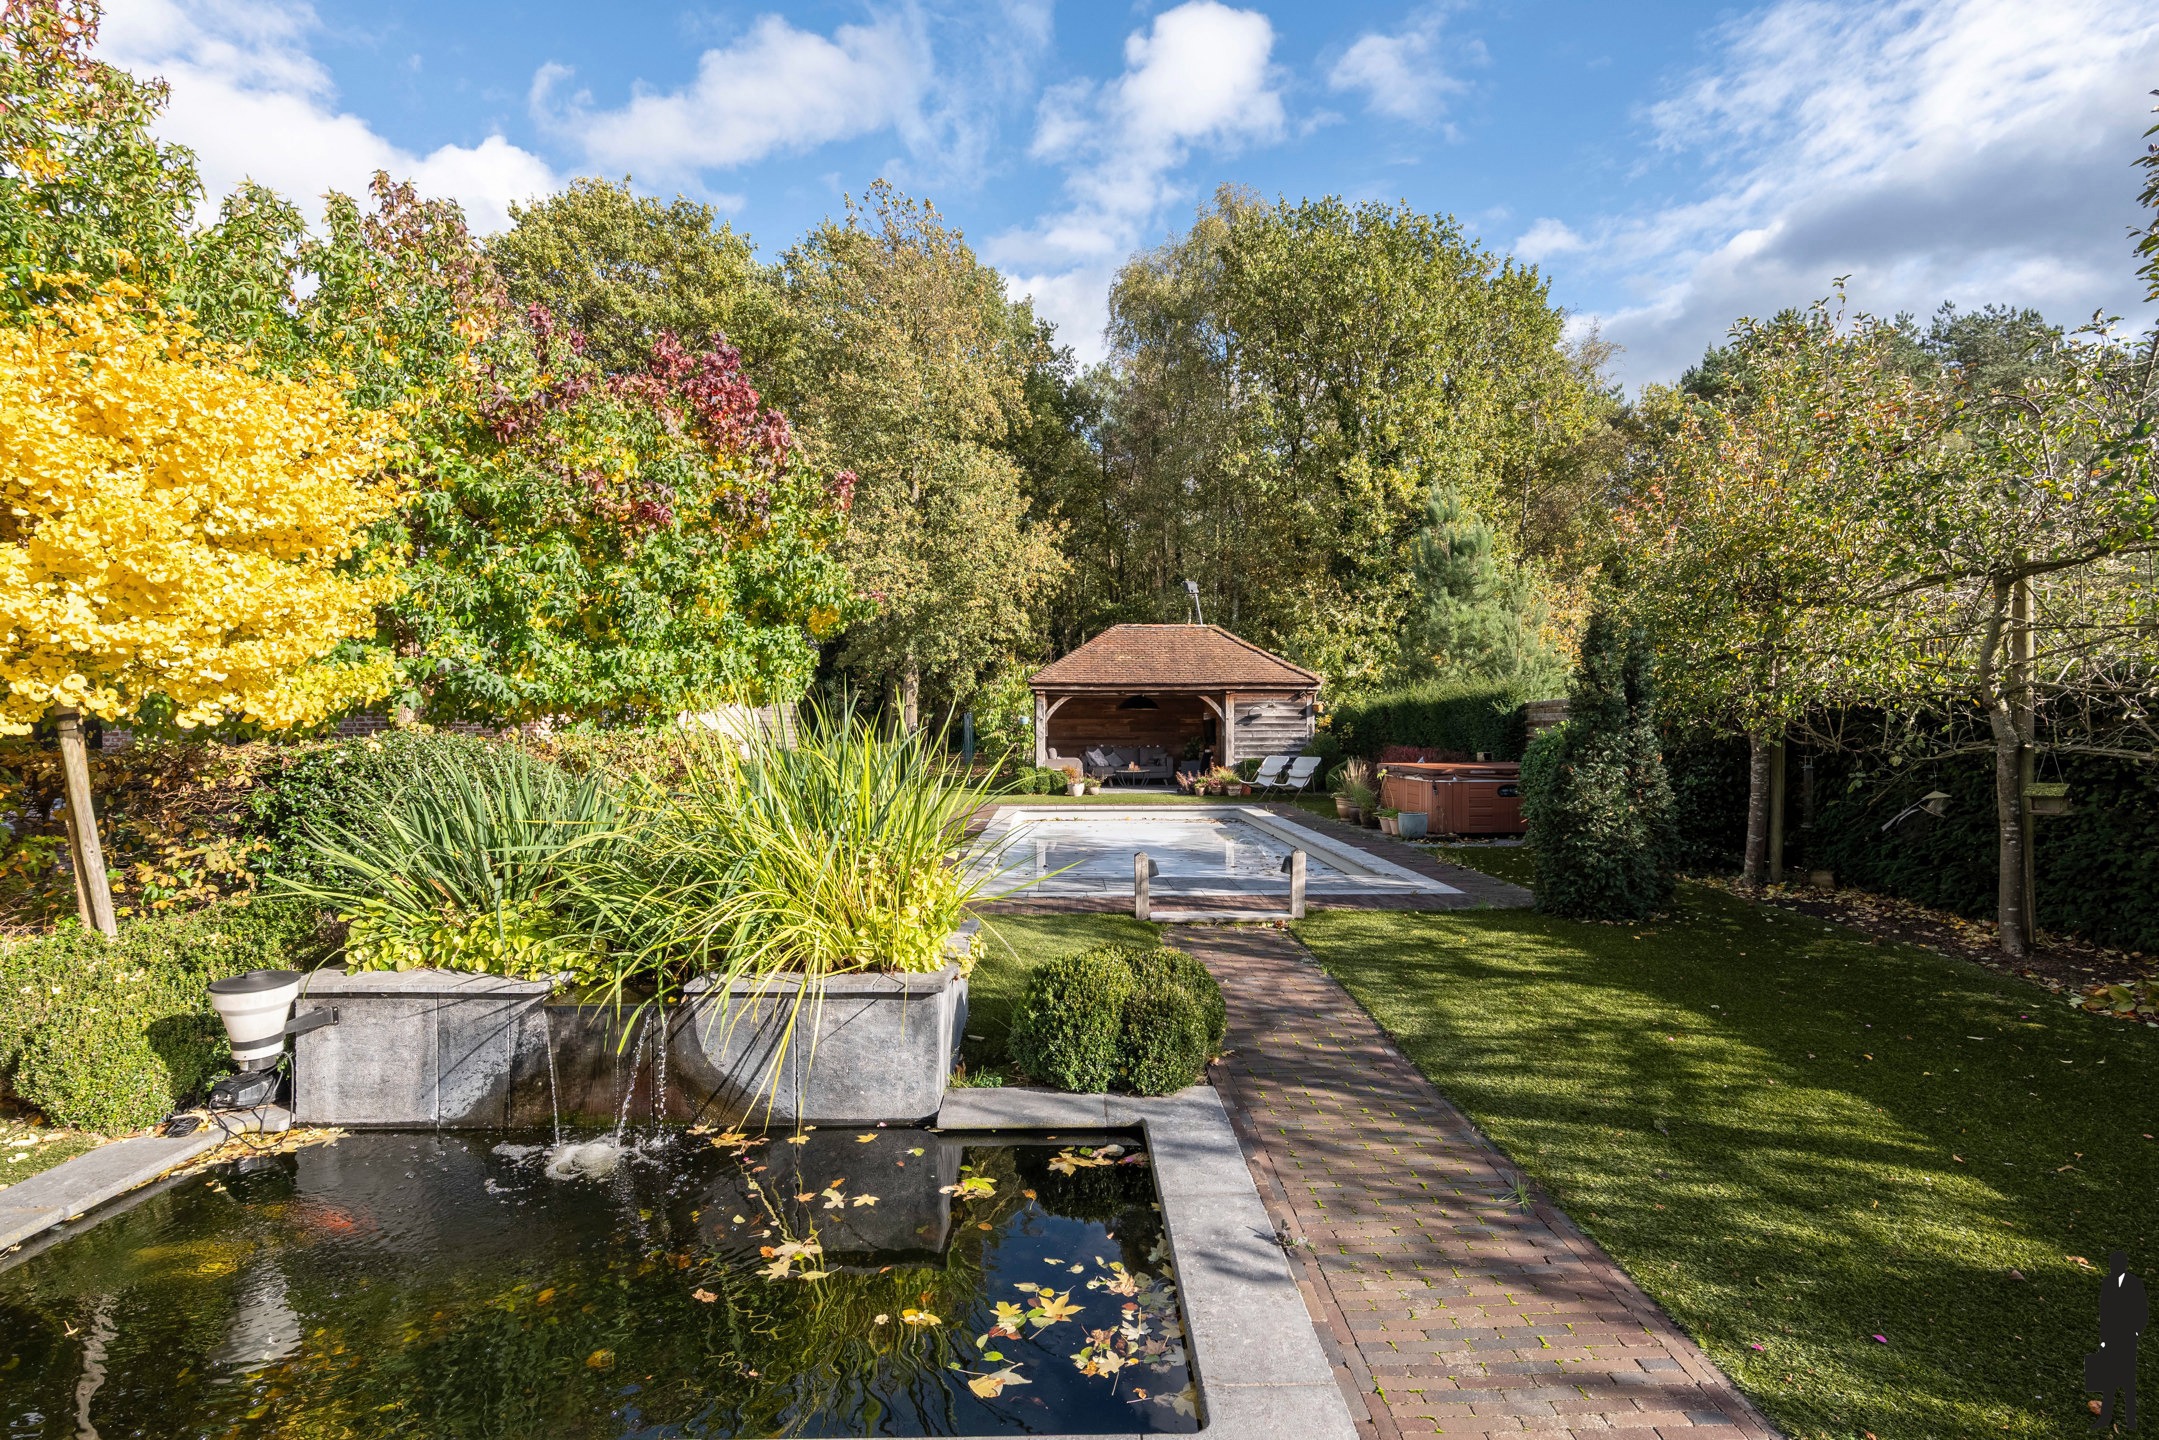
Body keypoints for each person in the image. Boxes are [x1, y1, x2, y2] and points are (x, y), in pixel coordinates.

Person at [2087, 1250, 2146, 1430]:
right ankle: (2105, 1417)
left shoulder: (2134, 1283)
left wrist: (2135, 1331)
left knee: (2128, 1379)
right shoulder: (2108, 1282)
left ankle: (2131, 1420)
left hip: (2127, 1336)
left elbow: (2142, 1311)